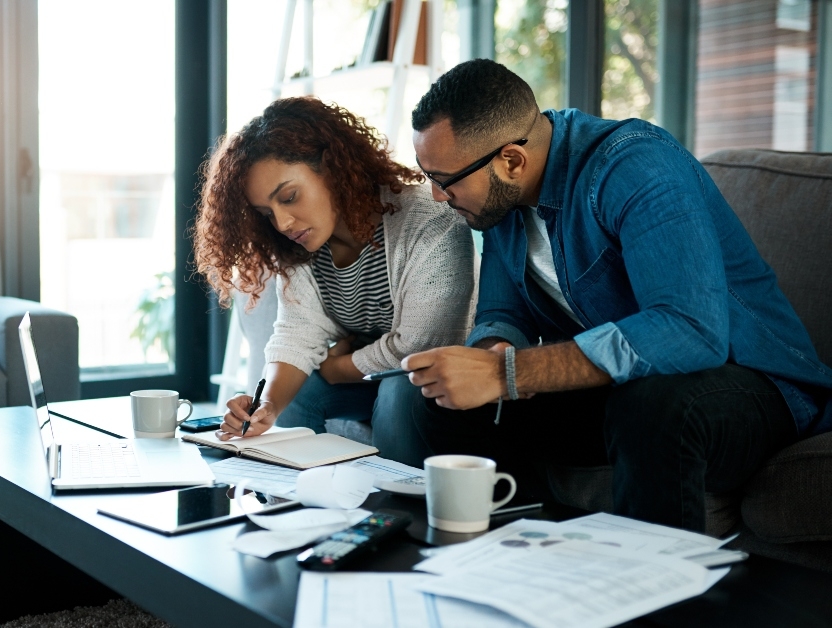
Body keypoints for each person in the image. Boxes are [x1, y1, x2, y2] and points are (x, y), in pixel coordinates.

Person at [396, 59, 832, 533]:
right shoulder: (500, 203)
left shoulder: (634, 166)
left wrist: (507, 373)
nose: (438, 196)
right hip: (622, 391)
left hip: (752, 387)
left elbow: (691, 331)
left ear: (512, 160)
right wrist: (486, 358)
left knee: (653, 406)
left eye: (444, 180)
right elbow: (503, 312)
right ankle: (506, 564)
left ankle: (652, 594)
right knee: (443, 399)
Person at [192, 97, 475, 464]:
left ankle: (396, 512)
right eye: (267, 213)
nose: (283, 223)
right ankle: (295, 501)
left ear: (331, 167)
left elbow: (419, 348)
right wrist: (265, 407)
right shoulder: (300, 245)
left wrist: (336, 367)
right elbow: (297, 333)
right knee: (301, 394)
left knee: (398, 389)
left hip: (434, 381)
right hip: (368, 376)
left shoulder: (428, 219)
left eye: (289, 197)